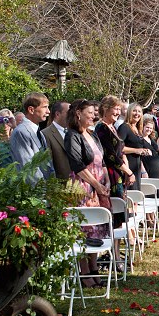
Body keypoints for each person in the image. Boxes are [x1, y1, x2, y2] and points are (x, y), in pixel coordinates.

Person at [64, 99, 109, 287]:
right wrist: (96, 186)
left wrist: (105, 180)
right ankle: (84, 272)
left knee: (96, 229)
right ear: (78, 114)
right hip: (82, 186)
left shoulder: (92, 134)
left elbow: (102, 160)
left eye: (94, 112)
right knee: (83, 230)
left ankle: (93, 266)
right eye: (90, 112)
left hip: (99, 185)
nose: (93, 116)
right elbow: (78, 165)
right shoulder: (72, 136)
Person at [96, 95, 136, 200]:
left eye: (119, 109)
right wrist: (129, 172)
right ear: (105, 108)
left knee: (124, 207)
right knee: (117, 207)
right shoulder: (102, 128)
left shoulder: (113, 127)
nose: (118, 113)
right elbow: (111, 155)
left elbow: (121, 151)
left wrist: (127, 171)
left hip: (120, 172)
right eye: (116, 109)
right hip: (110, 174)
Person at [10, 92, 52, 182]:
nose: (48, 111)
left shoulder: (38, 132)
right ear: (31, 110)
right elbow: (28, 168)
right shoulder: (21, 132)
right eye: (45, 107)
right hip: (34, 191)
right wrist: (45, 190)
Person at [118, 103, 148, 191]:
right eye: (134, 111)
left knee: (136, 200)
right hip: (128, 167)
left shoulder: (138, 129)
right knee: (130, 199)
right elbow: (119, 148)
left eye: (139, 111)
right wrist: (136, 150)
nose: (137, 114)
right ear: (129, 112)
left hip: (137, 167)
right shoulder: (124, 127)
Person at [41, 100, 71, 180]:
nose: (72, 115)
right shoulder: (46, 134)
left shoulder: (73, 132)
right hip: (60, 185)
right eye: (69, 113)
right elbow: (47, 164)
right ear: (57, 114)